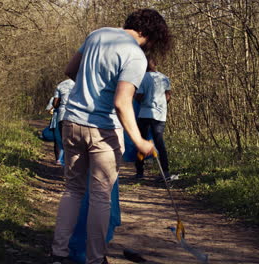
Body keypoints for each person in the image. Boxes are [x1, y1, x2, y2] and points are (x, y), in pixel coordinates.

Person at [50, 8, 171, 264]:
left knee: (72, 190)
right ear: (150, 34)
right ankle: (95, 259)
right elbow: (121, 103)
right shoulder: (136, 56)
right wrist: (139, 141)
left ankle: (58, 254)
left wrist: (89, 88)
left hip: (71, 122)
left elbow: (70, 70)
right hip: (102, 129)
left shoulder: (97, 34)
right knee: (100, 196)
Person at [134, 59, 172, 180]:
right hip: (160, 115)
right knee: (160, 143)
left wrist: (138, 98)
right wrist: (160, 103)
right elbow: (168, 96)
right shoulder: (164, 78)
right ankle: (165, 172)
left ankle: (140, 171)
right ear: (156, 64)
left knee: (141, 142)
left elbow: (139, 96)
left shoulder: (142, 78)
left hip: (145, 114)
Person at [52, 79, 76, 165]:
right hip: (78, 116)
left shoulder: (61, 84)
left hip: (63, 115)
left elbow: (55, 104)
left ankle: (62, 161)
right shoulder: (84, 82)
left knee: (62, 139)